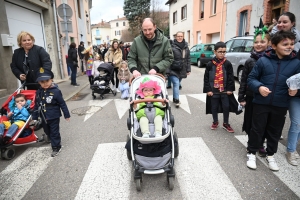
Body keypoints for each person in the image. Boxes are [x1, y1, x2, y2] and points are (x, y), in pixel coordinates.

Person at [246, 30, 300, 171]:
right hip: (261, 102)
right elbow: (251, 79)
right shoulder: (263, 60)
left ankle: (271, 155)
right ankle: (251, 153)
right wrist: (259, 88)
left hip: (281, 104)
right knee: (257, 129)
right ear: (274, 46)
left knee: (274, 131)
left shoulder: (296, 63)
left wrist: (296, 90)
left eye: (292, 44)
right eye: (285, 44)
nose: (289, 47)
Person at [238, 26, 271, 157]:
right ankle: (252, 143)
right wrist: (241, 97)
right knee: (251, 121)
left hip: (266, 98)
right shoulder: (250, 61)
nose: (258, 45)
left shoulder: (272, 60)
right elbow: (244, 80)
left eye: (262, 42)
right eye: (256, 42)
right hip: (252, 96)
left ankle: (261, 143)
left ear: (268, 43)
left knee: (263, 122)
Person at [32, 68, 70, 157]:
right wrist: (34, 117)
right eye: (42, 82)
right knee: (47, 131)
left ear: (51, 80)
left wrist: (66, 114)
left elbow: (62, 103)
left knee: (54, 132)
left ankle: (56, 147)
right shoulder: (39, 92)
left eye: (47, 81)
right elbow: (36, 105)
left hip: (54, 116)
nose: (45, 83)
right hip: (44, 116)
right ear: (39, 83)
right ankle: (51, 138)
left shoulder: (56, 91)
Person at [203, 42, 235, 133]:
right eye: (220, 51)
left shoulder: (227, 64)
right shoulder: (210, 64)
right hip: (213, 91)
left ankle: (226, 123)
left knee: (226, 107)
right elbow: (206, 78)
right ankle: (215, 121)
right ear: (215, 51)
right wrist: (208, 89)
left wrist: (229, 89)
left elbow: (230, 77)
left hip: (224, 90)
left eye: (224, 52)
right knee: (214, 107)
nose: (222, 54)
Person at [166, 31, 191, 107]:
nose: (180, 37)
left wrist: (188, 69)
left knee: (178, 83)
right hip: (173, 68)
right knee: (176, 83)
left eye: (181, 36)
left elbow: (188, 59)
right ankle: (176, 100)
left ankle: (174, 97)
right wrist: (167, 71)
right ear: (176, 37)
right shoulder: (171, 46)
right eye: (178, 36)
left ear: (183, 37)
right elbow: (167, 58)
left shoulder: (186, 47)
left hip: (182, 69)